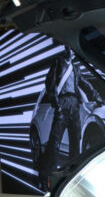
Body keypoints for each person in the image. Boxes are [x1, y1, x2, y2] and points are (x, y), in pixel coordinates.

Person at [40, 46, 99, 187]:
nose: (70, 51)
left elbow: (84, 83)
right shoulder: (58, 62)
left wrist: (96, 95)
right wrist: (55, 101)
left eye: (72, 49)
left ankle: (73, 175)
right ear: (65, 49)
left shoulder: (76, 68)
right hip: (63, 103)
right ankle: (47, 176)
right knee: (55, 141)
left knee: (75, 141)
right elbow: (50, 81)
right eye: (68, 48)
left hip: (74, 105)